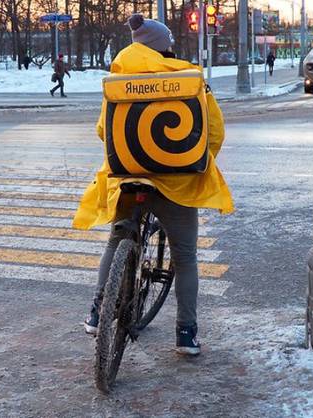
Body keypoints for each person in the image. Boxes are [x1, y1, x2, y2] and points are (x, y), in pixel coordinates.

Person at [73, 14, 234, 356]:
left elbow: (104, 131)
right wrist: (195, 162)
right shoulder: (188, 79)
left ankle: (97, 311)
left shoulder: (119, 79)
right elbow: (215, 131)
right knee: (186, 257)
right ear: (163, 49)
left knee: (117, 238)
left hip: (128, 179)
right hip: (176, 184)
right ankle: (186, 334)